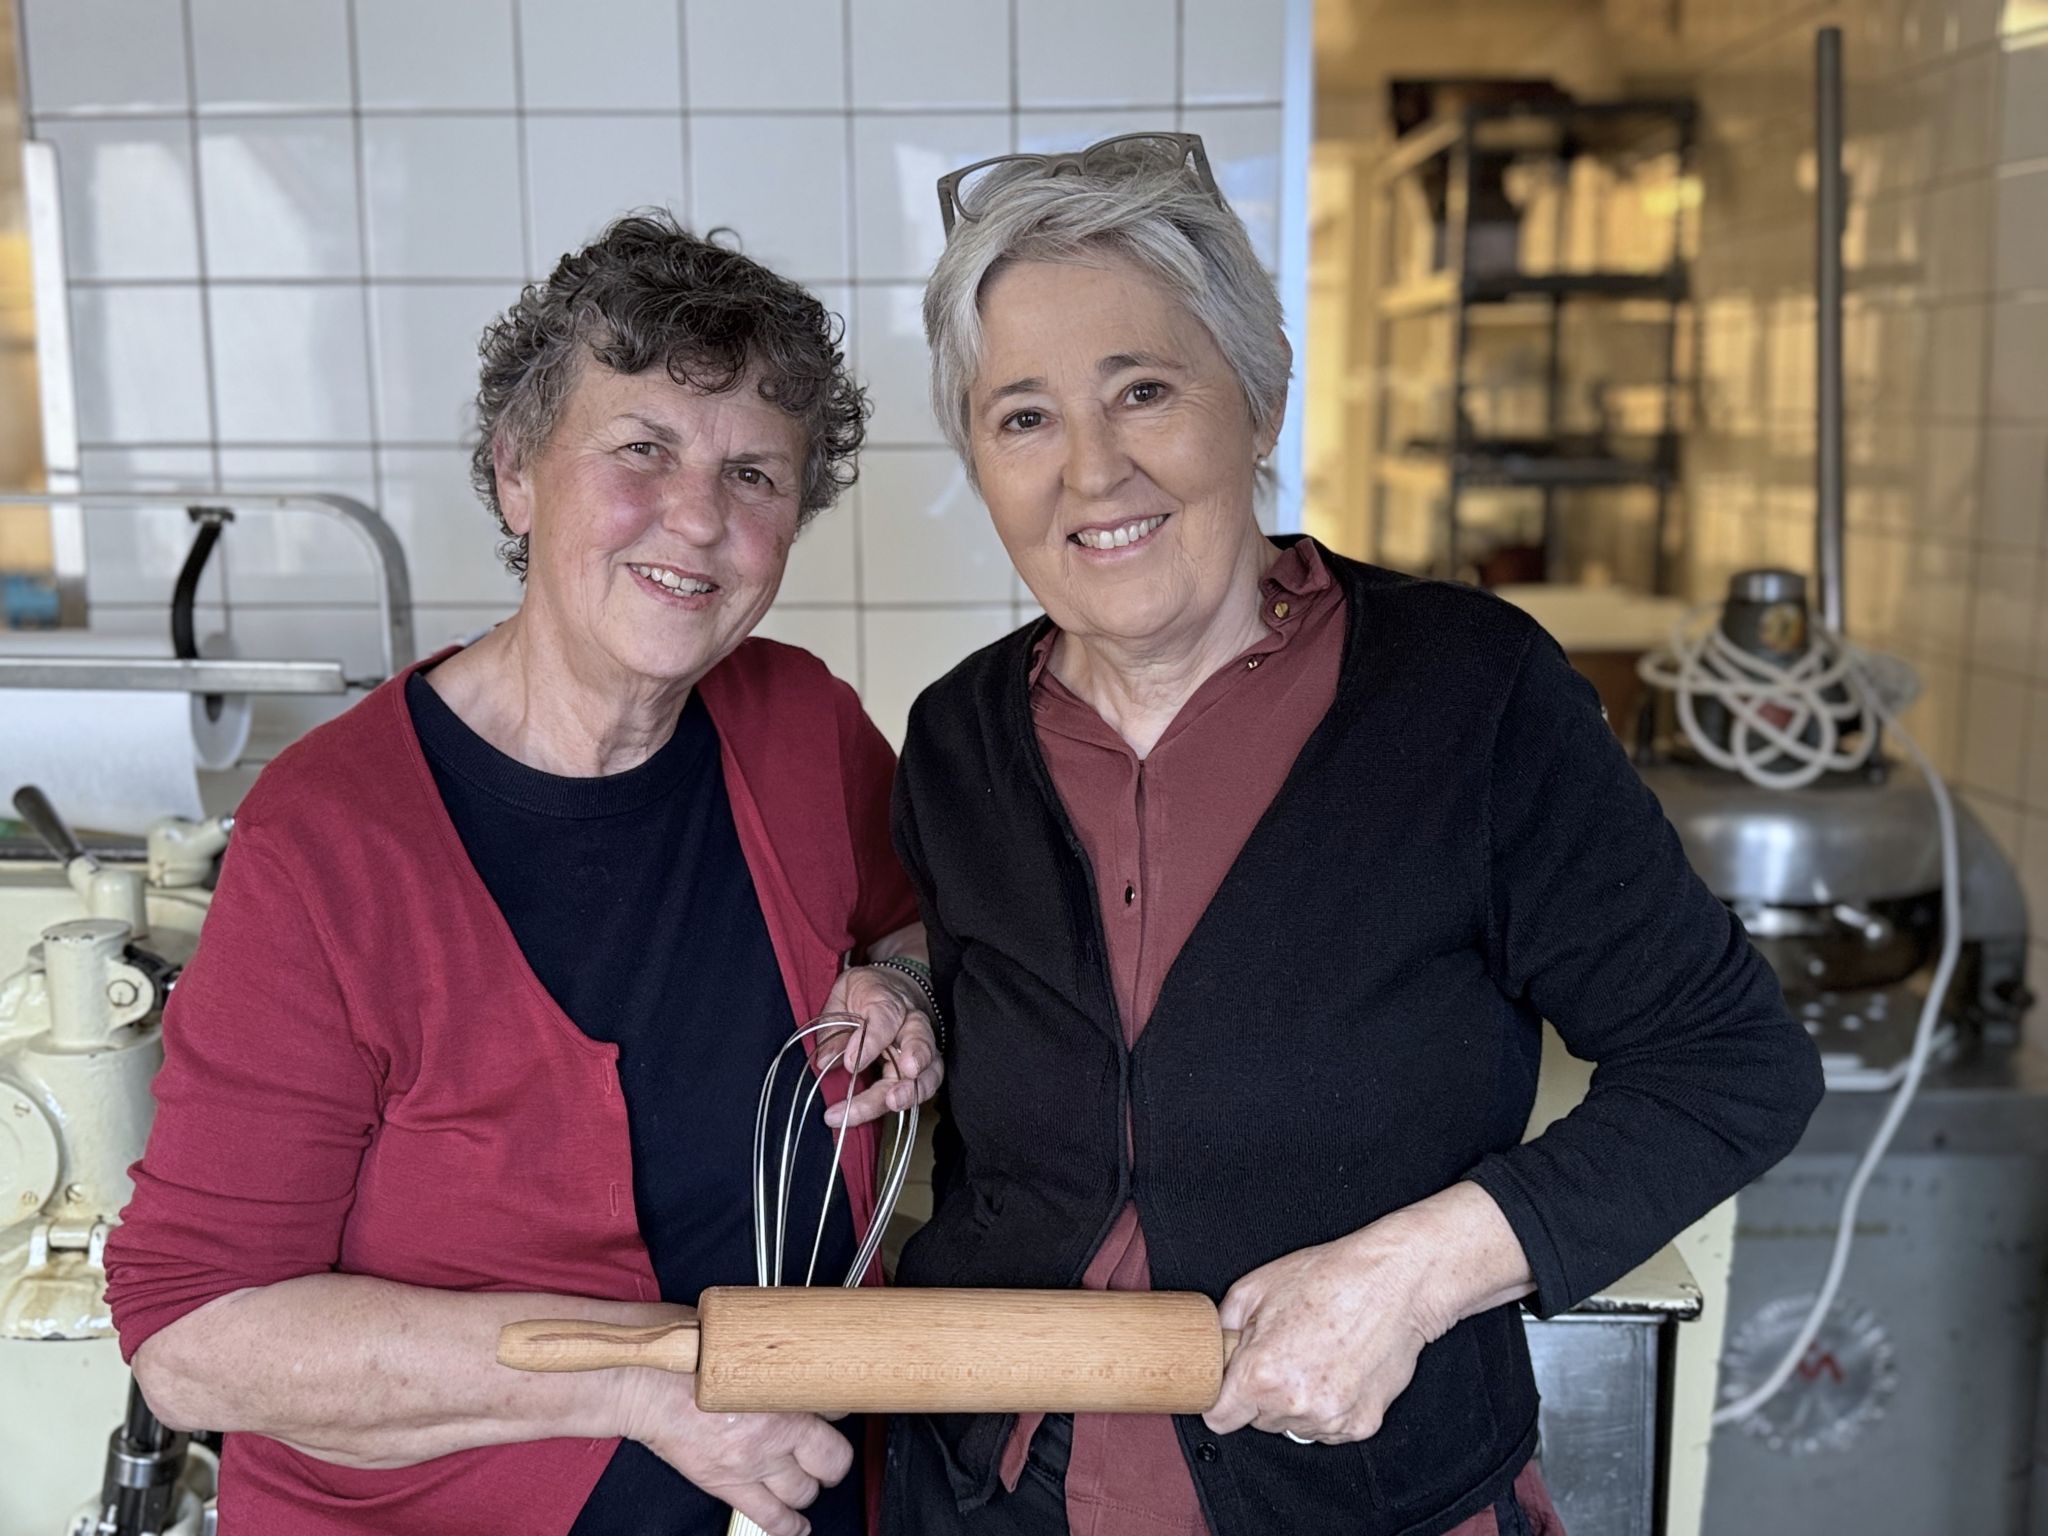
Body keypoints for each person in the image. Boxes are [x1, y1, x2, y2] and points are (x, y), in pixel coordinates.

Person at [881, 135, 1823, 1536]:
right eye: (1022, 417)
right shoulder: (958, 735)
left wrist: (1414, 1272)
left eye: (1143, 389)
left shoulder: (1465, 697)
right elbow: (1019, 1006)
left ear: (1256, 402)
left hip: (1374, 1495)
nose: (1092, 469)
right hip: (994, 1496)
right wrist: (899, 984)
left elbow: (1733, 1066)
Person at [106, 213, 941, 1536]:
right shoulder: (329, 842)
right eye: (642, 452)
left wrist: (904, 989)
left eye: (755, 476)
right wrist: (644, 1384)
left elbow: (917, 927)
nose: (701, 521)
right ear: (514, 473)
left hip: (803, 1495)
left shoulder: (800, 725)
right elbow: (196, 1335)